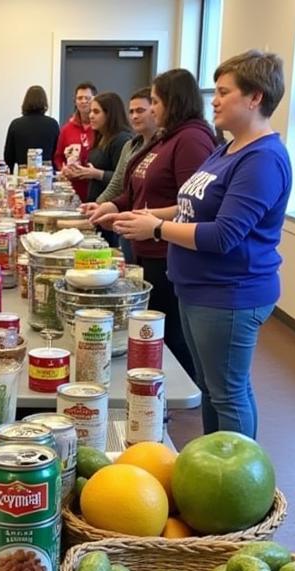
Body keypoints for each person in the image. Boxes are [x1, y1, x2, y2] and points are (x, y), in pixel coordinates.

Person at [115, 51, 291, 438]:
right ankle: (217, 465)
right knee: (211, 389)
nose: (214, 99)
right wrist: (149, 218)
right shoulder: (224, 149)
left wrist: (156, 230)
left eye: (224, 92)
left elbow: (224, 234)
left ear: (255, 97)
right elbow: (189, 208)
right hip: (198, 288)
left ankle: (238, 478)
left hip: (229, 293)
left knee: (228, 393)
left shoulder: (262, 159)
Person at [88, 72, 216, 380]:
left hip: (167, 250)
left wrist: (154, 223)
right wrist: (114, 205)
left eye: (155, 102)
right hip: (145, 247)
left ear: (174, 102)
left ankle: (174, 399)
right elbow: (135, 190)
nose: (151, 109)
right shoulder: (166, 138)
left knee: (170, 336)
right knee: (150, 329)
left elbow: (195, 206)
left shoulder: (192, 139)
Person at [81, 87, 157, 262]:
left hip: (149, 230)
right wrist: (99, 205)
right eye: (131, 111)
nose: (134, 116)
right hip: (126, 223)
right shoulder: (130, 145)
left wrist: (96, 176)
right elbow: (118, 184)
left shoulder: (159, 146)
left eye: (140, 111)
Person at [65, 91, 132, 244]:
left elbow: (123, 180)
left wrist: (96, 174)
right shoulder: (101, 136)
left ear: (110, 114)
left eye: (96, 111)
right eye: (91, 112)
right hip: (97, 206)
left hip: (110, 212)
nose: (91, 116)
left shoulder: (121, 140)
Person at [54, 81, 97, 202]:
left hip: (96, 189)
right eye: (79, 98)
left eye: (87, 98)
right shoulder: (66, 129)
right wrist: (63, 168)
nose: (83, 101)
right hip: (72, 191)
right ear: (75, 101)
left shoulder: (101, 129)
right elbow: (58, 157)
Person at [3, 85, 60, 172]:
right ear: (44, 102)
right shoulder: (53, 124)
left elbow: (8, 157)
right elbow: (57, 154)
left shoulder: (15, 124)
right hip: (46, 175)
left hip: (23, 174)